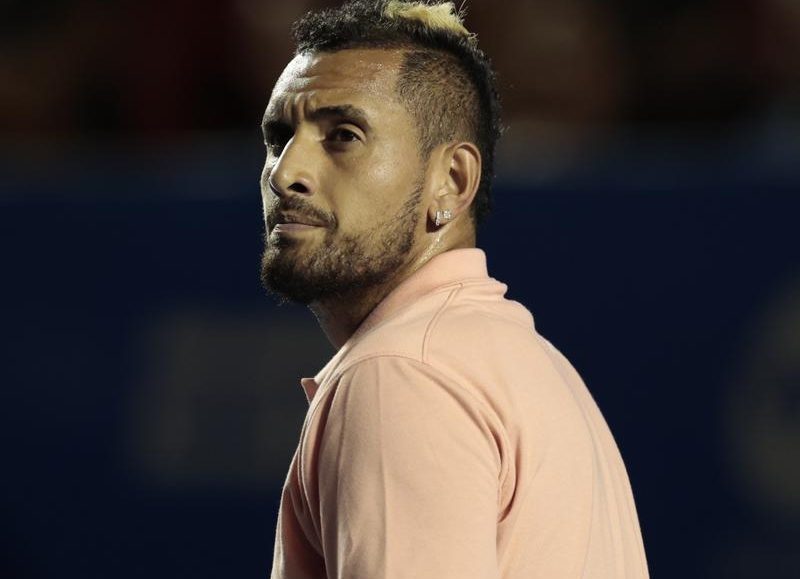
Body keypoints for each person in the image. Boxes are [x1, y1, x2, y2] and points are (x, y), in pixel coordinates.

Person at [259, 1, 649, 577]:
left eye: (343, 135)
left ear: (452, 180)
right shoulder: (519, 361)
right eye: (279, 138)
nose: (285, 173)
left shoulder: (400, 374)